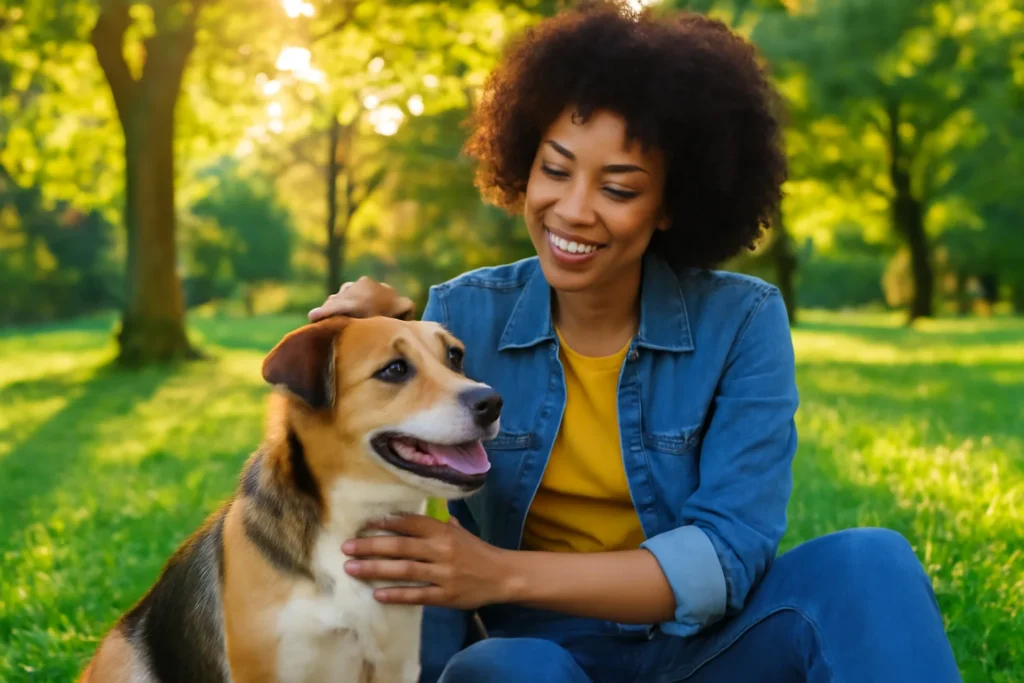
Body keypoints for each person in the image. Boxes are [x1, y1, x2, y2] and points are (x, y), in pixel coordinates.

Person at [308, 2, 962, 681]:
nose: (573, 210)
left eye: (618, 189)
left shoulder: (743, 321)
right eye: (555, 170)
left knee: (871, 561)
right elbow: (341, 476)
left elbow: (726, 556)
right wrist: (375, 335)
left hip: (706, 648)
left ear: (671, 205)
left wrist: (498, 572)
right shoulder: (462, 317)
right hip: (541, 655)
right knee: (506, 667)